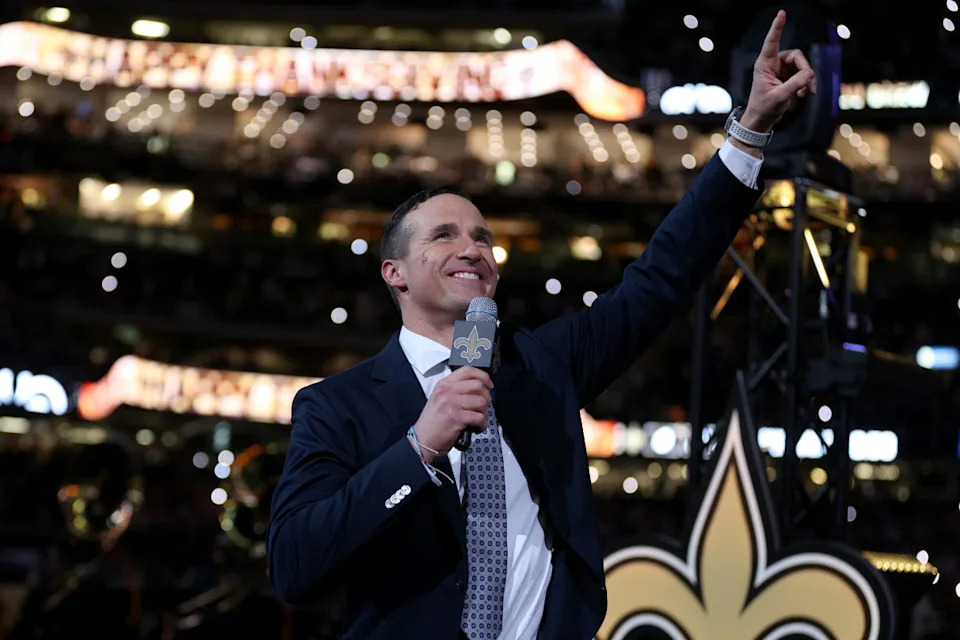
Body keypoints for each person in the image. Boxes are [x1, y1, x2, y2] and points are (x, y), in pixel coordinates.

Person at [267, 10, 817, 640]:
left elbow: (659, 280)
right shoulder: (335, 408)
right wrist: (419, 447)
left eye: (482, 237)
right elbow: (294, 569)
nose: (472, 248)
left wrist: (746, 135)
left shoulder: (543, 365)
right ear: (394, 273)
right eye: (444, 236)